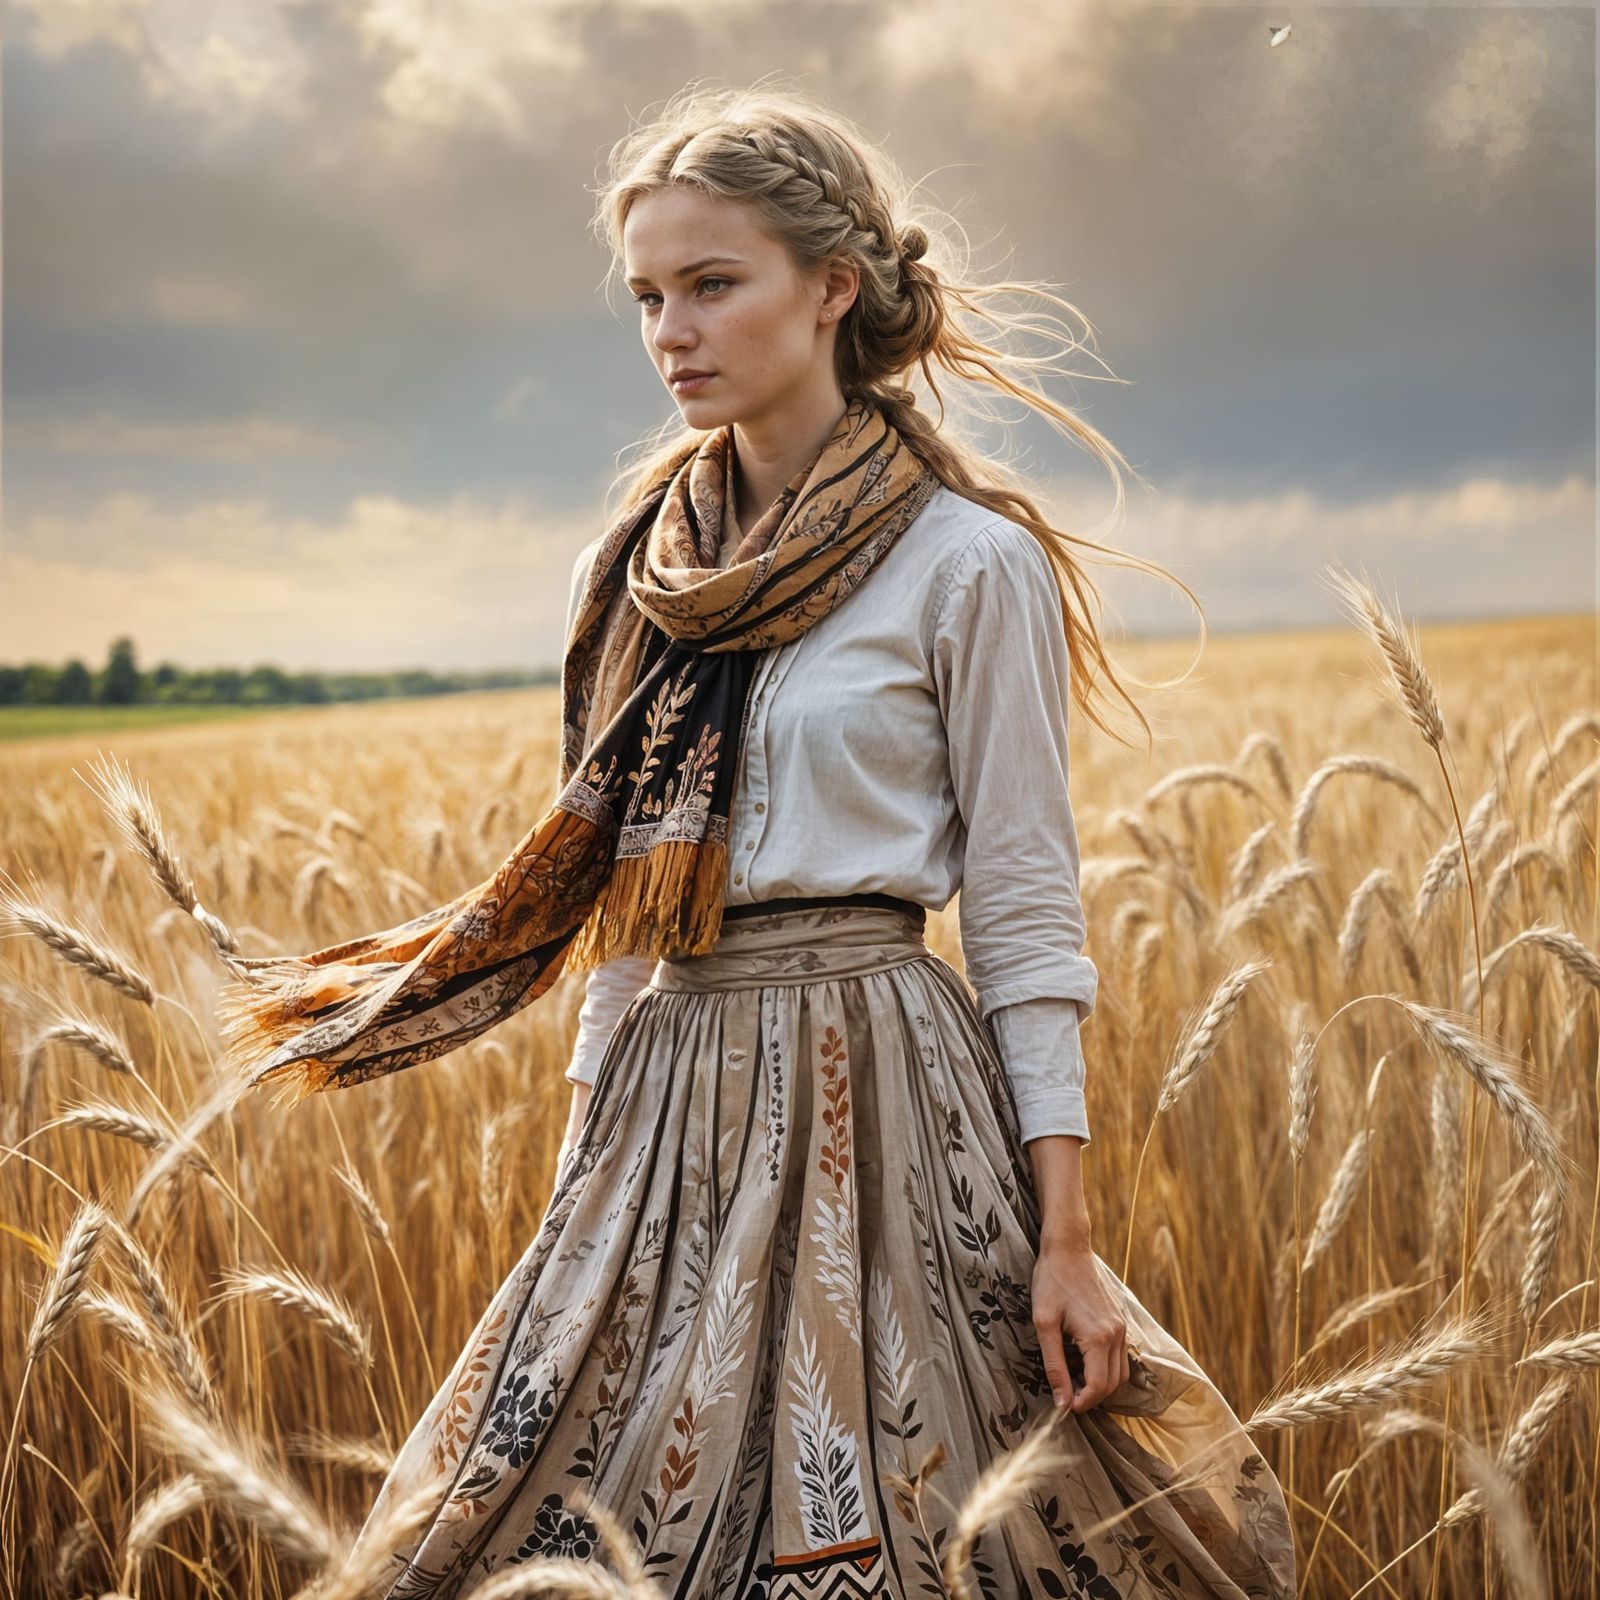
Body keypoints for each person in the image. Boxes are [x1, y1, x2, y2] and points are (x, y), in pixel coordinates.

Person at [327, 81, 1295, 1600]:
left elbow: (1029, 916)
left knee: (929, 1512)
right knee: (567, 1511)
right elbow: (618, 901)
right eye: (649, 295)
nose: (672, 331)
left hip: (888, 1086)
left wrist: (1068, 1235)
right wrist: (585, 1165)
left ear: (832, 286)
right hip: (668, 1086)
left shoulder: (969, 564)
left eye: (714, 284)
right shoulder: (635, 574)